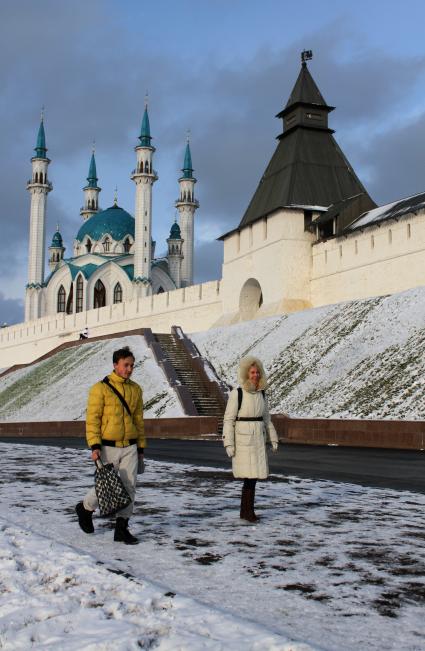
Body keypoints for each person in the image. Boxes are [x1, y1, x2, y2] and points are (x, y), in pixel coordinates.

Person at [75, 346, 145, 544]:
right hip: (108, 446)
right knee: (108, 486)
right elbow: (93, 420)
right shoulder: (100, 389)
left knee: (129, 486)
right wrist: (94, 446)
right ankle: (85, 508)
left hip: (130, 446)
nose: (130, 369)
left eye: (132, 365)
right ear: (115, 365)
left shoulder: (136, 389)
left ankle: (121, 529)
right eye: (126, 365)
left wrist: (140, 448)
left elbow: (139, 421)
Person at [223, 355, 278, 523]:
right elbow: (228, 420)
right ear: (246, 374)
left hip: (258, 440)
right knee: (248, 478)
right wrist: (228, 443)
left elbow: (266, 419)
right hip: (243, 441)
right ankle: (247, 513)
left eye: (257, 372)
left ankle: (247, 512)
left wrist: (273, 438)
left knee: (253, 478)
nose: (256, 375)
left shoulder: (262, 395)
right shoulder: (237, 394)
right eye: (252, 372)